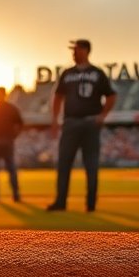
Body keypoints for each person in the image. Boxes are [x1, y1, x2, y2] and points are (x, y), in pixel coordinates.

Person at [47, 39, 116, 212]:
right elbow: (58, 97)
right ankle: (60, 202)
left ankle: (91, 204)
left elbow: (111, 95)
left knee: (91, 164)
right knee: (64, 163)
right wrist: (55, 119)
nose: (73, 53)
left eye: (76, 50)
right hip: (71, 121)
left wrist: (102, 116)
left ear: (85, 50)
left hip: (90, 122)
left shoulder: (97, 73)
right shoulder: (68, 73)